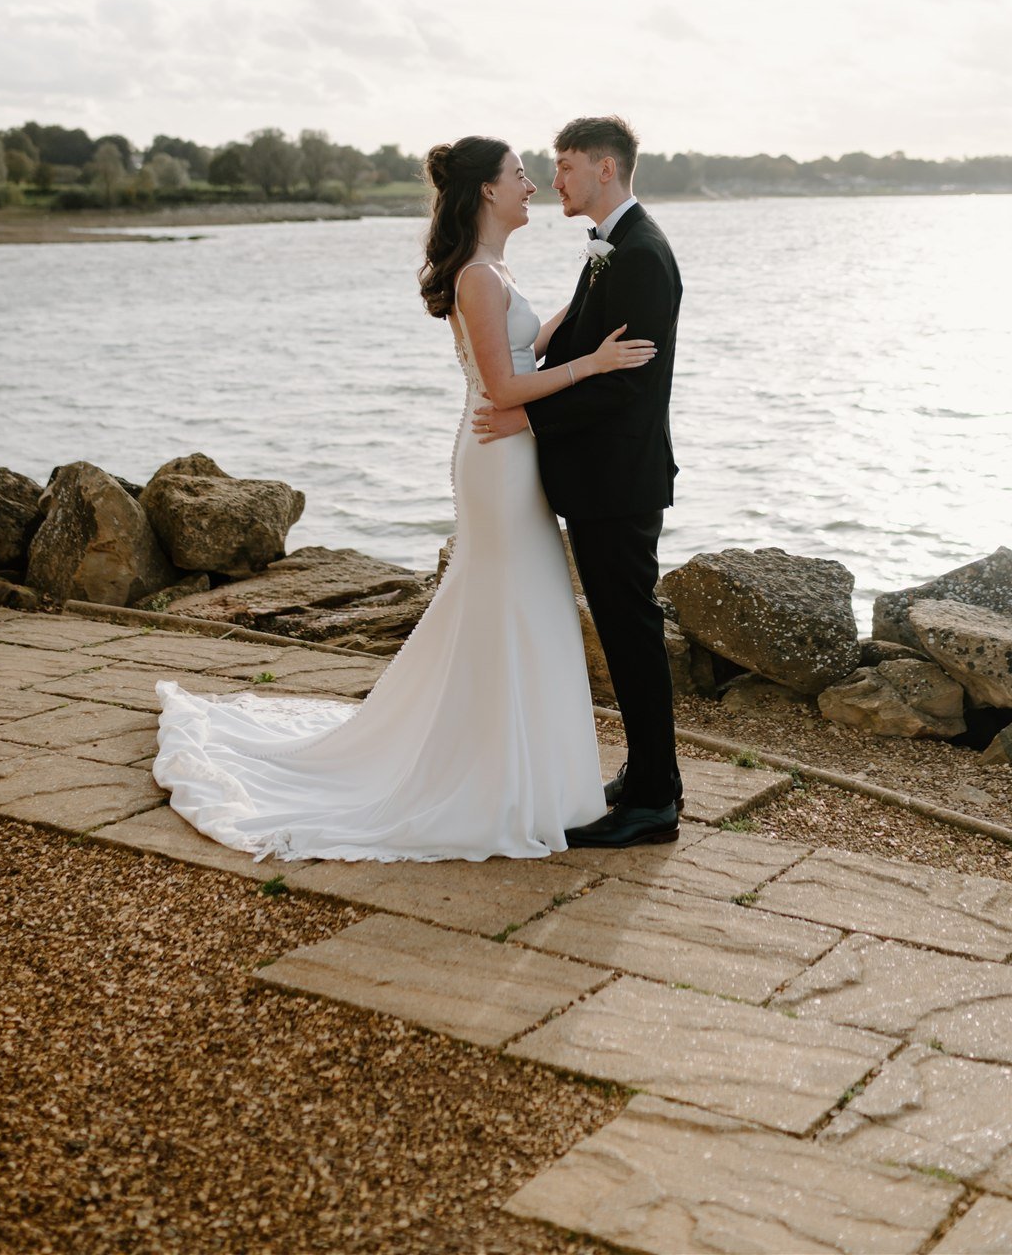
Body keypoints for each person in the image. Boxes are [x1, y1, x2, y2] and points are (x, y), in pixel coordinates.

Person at [151, 134, 656, 863]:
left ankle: (514, 767)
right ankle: (490, 775)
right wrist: (593, 364)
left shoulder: (491, 271)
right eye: (519, 176)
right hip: (498, 457)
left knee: (514, 603)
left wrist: (579, 310)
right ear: (486, 189)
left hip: (507, 455)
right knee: (510, 600)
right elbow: (506, 388)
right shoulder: (479, 278)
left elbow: (518, 350)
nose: (532, 187)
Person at [473, 115, 683, 850]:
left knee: (631, 635)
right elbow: (580, 348)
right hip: (603, 478)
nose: (551, 179)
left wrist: (528, 423)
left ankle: (656, 799)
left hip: (618, 480)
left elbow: (626, 385)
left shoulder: (639, 255)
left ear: (603, 168)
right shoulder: (612, 248)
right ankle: (645, 775)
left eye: (562, 166)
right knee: (625, 635)